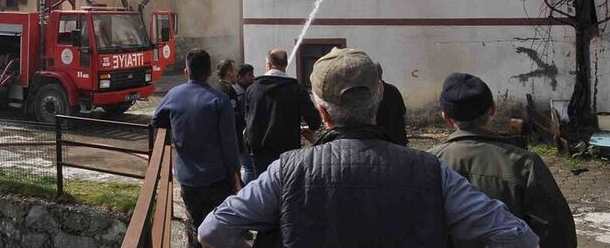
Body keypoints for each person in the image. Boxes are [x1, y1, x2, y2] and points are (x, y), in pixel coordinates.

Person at [199, 48, 541, 248]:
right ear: (379, 98)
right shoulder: (431, 171)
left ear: (321, 111)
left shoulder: (287, 171)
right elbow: (519, 238)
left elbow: (212, 230)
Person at [429, 73, 576, 248]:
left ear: (445, 117)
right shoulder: (525, 164)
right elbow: (557, 232)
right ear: (492, 109)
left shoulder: (426, 164)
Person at [152, 49, 240, 247]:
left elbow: (156, 120)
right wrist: (235, 177)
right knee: (218, 230)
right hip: (216, 179)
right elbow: (229, 144)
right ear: (209, 72)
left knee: (195, 226)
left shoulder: (174, 94)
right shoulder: (220, 101)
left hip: (188, 179)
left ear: (186, 71)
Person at [244, 48, 321, 175]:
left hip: (260, 154)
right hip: (288, 153)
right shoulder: (297, 89)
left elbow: (248, 119)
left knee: (264, 191)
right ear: (285, 65)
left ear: (268, 65)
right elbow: (314, 121)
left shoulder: (252, 89)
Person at [233, 63, 256, 185]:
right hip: (242, 138)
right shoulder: (241, 95)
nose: (253, 77)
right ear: (240, 77)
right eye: (249, 75)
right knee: (249, 168)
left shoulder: (239, 90)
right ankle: (246, 195)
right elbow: (246, 117)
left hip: (240, 138)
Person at [375, 62, 408, 145]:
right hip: (397, 138)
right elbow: (403, 110)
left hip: (381, 140)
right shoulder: (393, 89)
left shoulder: (370, 94)